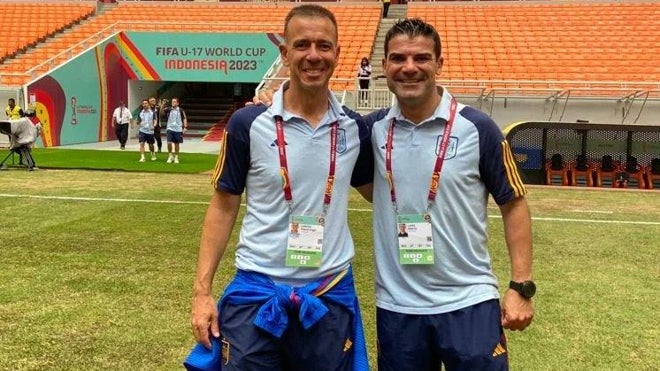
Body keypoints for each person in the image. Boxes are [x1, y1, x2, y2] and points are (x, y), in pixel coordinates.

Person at [185, 5, 373, 371]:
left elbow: (378, 192)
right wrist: (202, 292)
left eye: (324, 45)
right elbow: (223, 206)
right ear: (285, 54)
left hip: (328, 292)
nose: (313, 56)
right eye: (302, 45)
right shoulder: (247, 123)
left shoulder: (355, 128)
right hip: (257, 290)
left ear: (337, 53)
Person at [364, 18, 534, 371]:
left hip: (468, 301)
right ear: (384, 67)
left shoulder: (478, 128)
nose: (409, 67)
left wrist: (521, 286)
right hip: (398, 307)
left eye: (421, 58)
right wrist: (272, 101)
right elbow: (319, 124)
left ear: (439, 64)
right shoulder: (371, 130)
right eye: (398, 58)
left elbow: (514, 203)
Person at [162, 97, 187, 163]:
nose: (173, 103)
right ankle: (170, 156)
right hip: (170, 128)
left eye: (174, 102)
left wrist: (185, 127)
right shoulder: (168, 109)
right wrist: (162, 105)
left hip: (178, 129)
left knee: (176, 144)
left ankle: (176, 157)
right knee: (169, 142)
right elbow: (162, 113)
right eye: (172, 102)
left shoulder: (181, 110)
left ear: (178, 103)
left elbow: (184, 118)